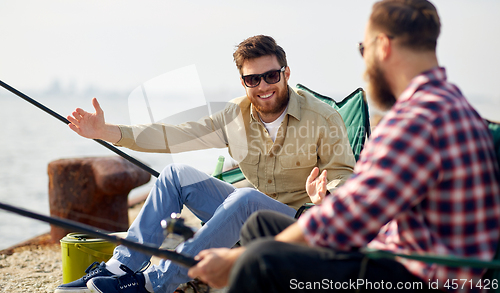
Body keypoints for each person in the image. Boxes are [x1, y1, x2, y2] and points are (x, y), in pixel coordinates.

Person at [188, 0, 500, 293]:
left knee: (260, 261)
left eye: (363, 48)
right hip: (415, 260)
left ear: (384, 47)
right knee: (261, 225)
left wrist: (237, 258)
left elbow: (350, 216)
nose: (365, 64)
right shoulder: (451, 105)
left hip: (415, 277)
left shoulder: (417, 119)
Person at [55, 35, 356, 293]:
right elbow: (176, 134)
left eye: (271, 76)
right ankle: (121, 268)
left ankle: (154, 283)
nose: (263, 85)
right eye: (253, 79)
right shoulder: (233, 115)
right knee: (176, 174)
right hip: (247, 225)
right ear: (243, 82)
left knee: (245, 198)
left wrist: (326, 196)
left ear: (286, 73)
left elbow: (344, 175)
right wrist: (108, 132)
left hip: (299, 228)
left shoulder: (323, 118)